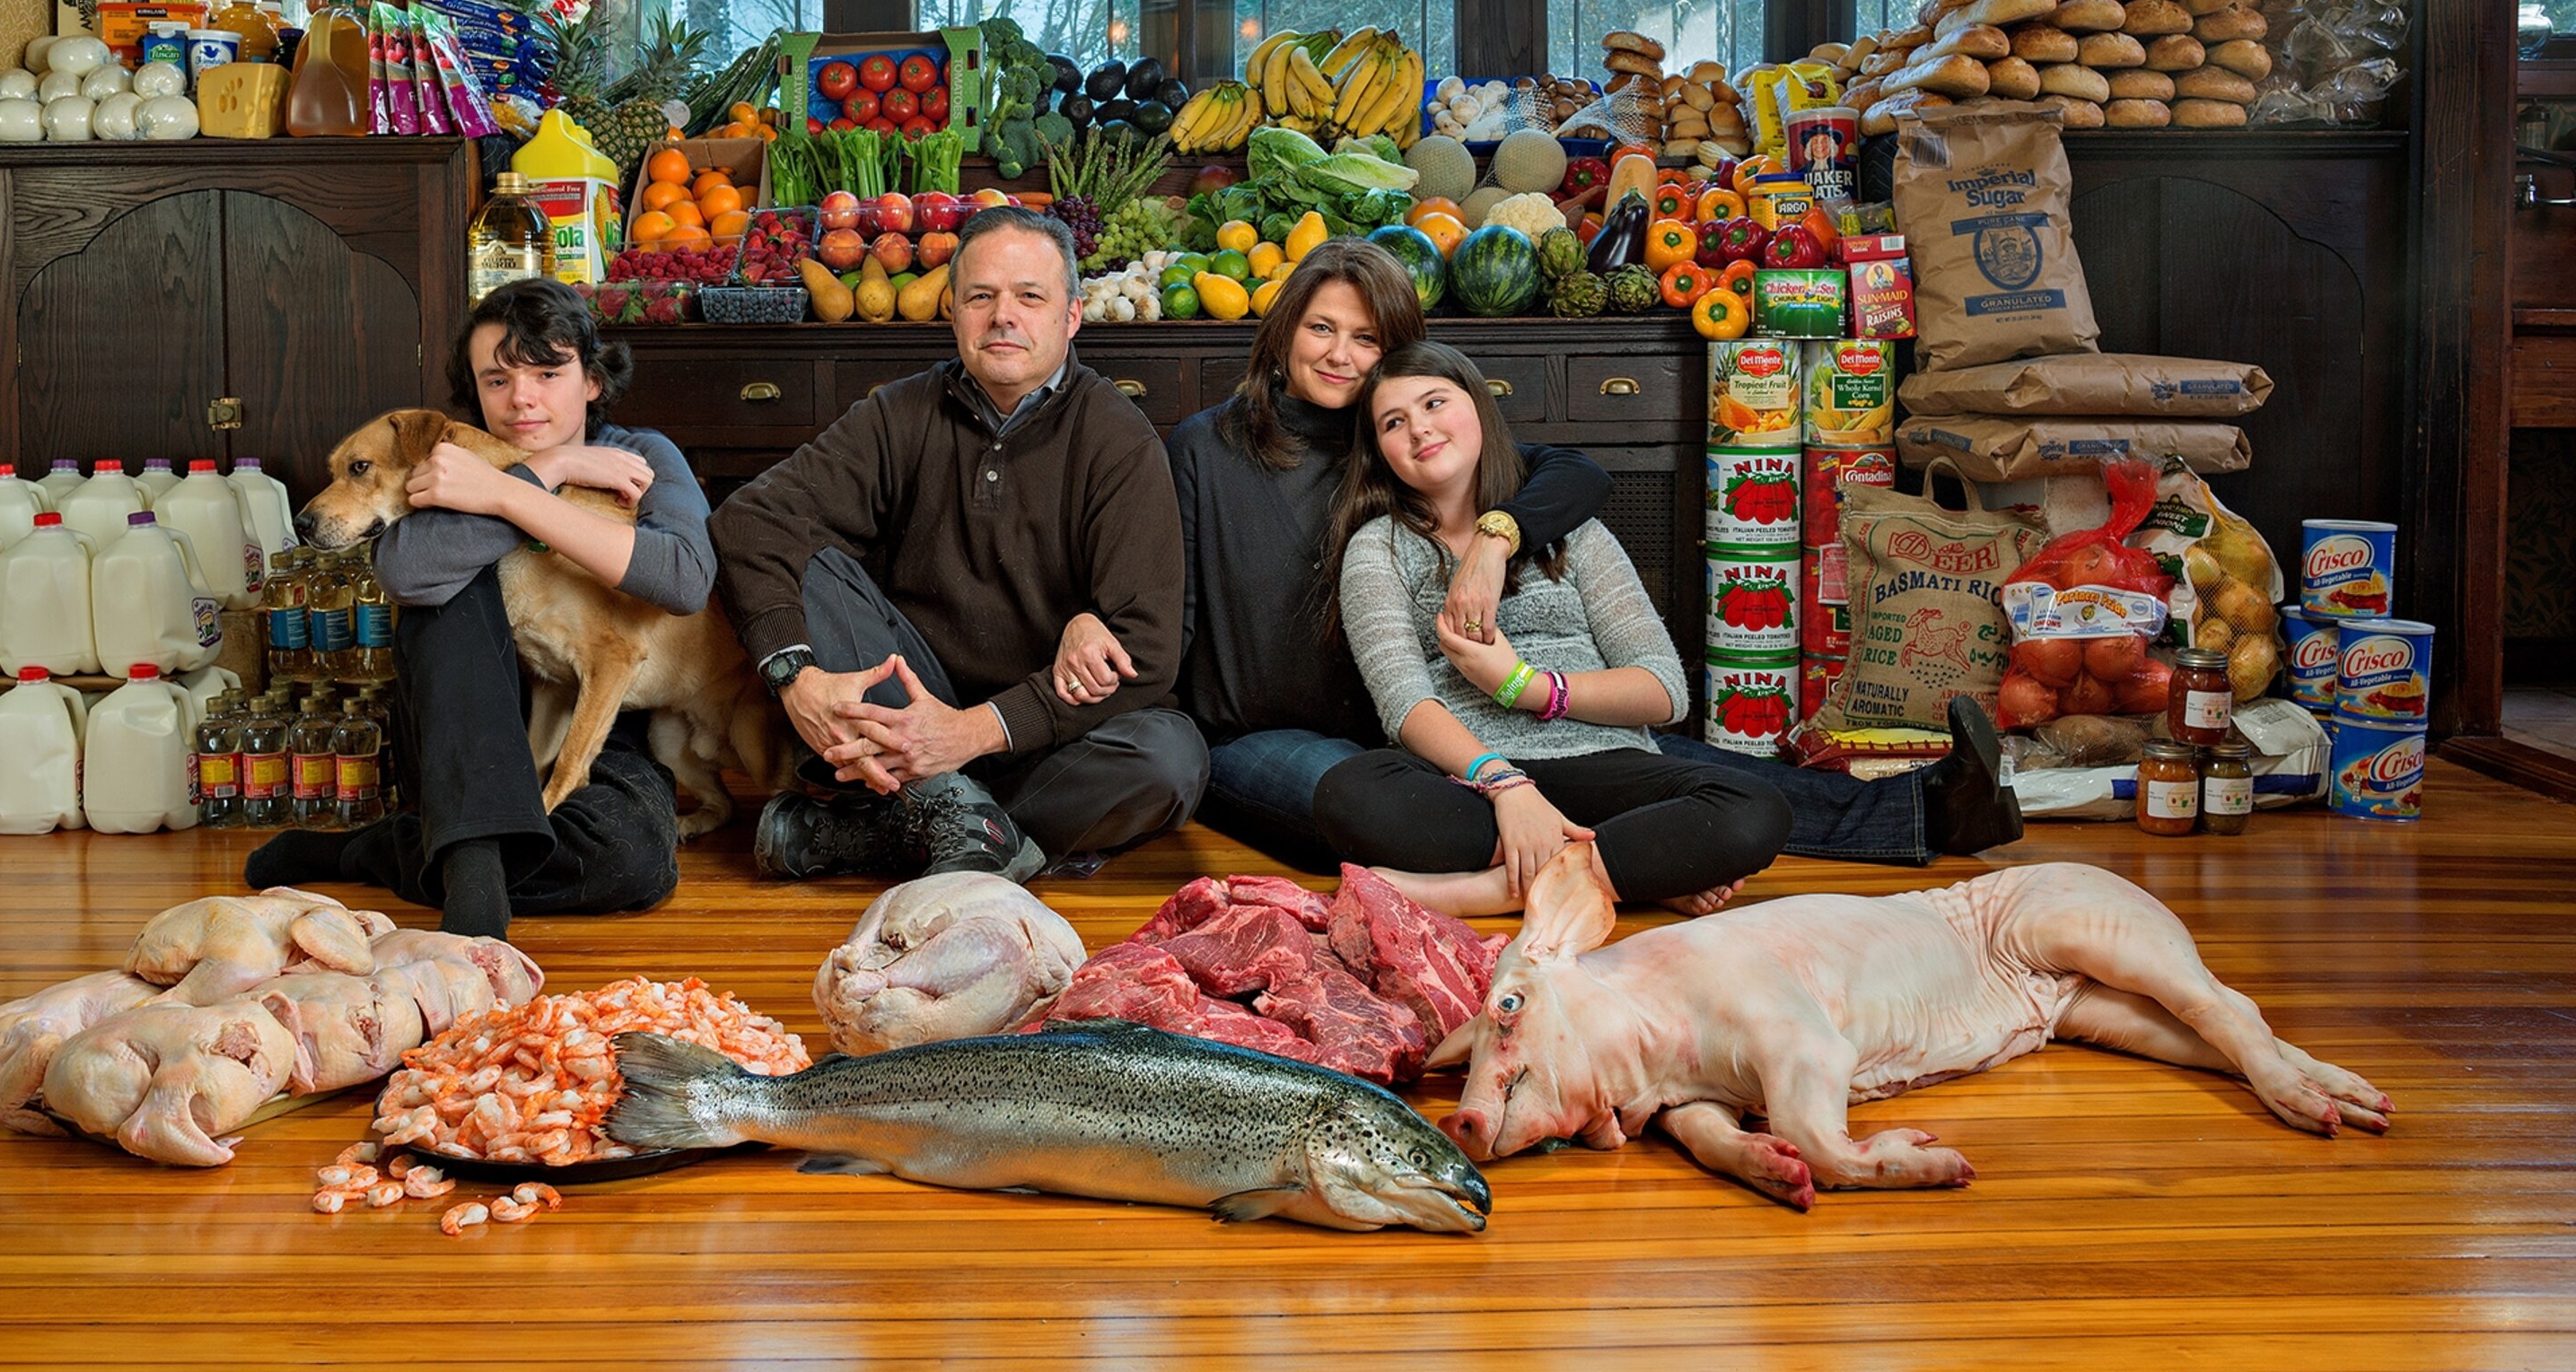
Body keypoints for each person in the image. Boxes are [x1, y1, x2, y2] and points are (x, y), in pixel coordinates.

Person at [1312, 341, 2016, 918]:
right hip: (1470, 783)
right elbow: (1405, 704)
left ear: (1480, 410)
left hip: (1606, 762)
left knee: (1753, 808)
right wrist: (1506, 785)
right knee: (1350, 792)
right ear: (1381, 451)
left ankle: (1499, 889)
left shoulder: (1572, 534)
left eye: (1434, 402)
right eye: (1393, 423)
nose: (1419, 428)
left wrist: (1525, 685)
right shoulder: (1381, 546)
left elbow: (1665, 692)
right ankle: (1629, 867)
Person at [714, 204, 1207, 884]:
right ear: (954, 312)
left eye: (1030, 297)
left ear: (1070, 316)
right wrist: (794, 679)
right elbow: (749, 520)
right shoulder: (900, 413)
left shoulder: (1119, 441)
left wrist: (971, 731)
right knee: (815, 564)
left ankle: (905, 826)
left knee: (1168, 759)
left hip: (1042, 735)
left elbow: (1149, 652)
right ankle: (972, 827)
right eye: (982, 296)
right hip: (909, 697)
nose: (1004, 315)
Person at [245, 279, 711, 939]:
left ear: (591, 383)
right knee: (447, 591)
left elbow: (686, 580)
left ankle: (381, 850)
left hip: (606, 725)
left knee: (628, 860)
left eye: (548, 372)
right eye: (496, 379)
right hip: (459, 727)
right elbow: (407, 572)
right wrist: (543, 471)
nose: (522, 396)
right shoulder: (444, 457)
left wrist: (516, 490)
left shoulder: (643, 454)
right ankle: (473, 877)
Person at [1126, 240, 1613, 868]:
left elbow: (1578, 473)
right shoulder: (1205, 446)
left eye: (1366, 338)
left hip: (1409, 728)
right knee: (1406, 812)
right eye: (1321, 328)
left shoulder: (1402, 440)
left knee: (1524, 786)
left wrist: (1495, 540)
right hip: (1259, 740)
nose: (1339, 354)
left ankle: (1576, 858)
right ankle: (1593, 864)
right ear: (1285, 329)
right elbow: (1176, 616)